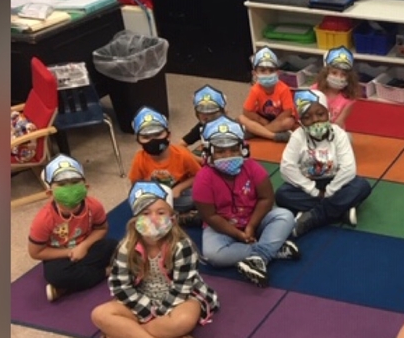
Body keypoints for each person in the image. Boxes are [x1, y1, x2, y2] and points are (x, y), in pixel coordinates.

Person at [91, 182, 220, 338]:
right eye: (145, 213)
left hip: (180, 299)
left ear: (172, 217)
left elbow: (182, 288)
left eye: (160, 213)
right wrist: (147, 310)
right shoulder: (127, 247)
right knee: (99, 315)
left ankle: (123, 335)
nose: (153, 218)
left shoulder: (182, 246)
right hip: (141, 298)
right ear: (135, 219)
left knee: (184, 320)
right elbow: (120, 286)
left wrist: (160, 312)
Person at [192, 118, 299, 288]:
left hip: (255, 220)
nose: (228, 156)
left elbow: (266, 198)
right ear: (209, 153)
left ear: (243, 149)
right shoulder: (203, 178)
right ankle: (271, 249)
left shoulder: (253, 167)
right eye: (220, 151)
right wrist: (237, 234)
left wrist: (251, 226)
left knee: (285, 216)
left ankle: (260, 256)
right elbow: (210, 216)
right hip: (222, 226)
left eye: (234, 149)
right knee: (213, 255)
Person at [274, 88, 372, 237]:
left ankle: (313, 218)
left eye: (320, 114)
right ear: (301, 122)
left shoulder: (339, 134)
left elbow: (348, 168)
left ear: (328, 113)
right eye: (307, 117)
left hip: (336, 182)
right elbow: (287, 168)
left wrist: (330, 191)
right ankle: (341, 210)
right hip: (309, 184)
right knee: (282, 195)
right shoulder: (297, 136)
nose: (315, 120)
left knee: (362, 186)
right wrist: (314, 191)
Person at [28, 154, 117, 302]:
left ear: (86, 186)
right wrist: (70, 252)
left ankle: (65, 288)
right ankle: (106, 272)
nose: (69, 188)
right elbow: (36, 252)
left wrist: (84, 246)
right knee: (57, 275)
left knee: (115, 246)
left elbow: (101, 229)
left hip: (87, 248)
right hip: (61, 257)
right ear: (50, 193)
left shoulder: (94, 206)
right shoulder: (43, 220)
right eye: (62, 184)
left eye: (75, 182)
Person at [128, 106, 201, 221]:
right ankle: (175, 216)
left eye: (158, 134)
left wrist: (179, 188)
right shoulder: (139, 159)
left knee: (202, 195)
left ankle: (173, 216)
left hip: (178, 195)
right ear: (138, 140)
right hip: (154, 198)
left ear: (168, 135)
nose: (153, 140)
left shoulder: (182, 154)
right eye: (146, 137)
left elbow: (199, 175)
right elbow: (136, 185)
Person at [241, 46, 298, 142]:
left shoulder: (284, 89)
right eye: (262, 70)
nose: (267, 74)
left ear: (278, 72)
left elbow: (288, 112)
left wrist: (271, 124)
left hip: (279, 119)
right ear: (255, 73)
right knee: (241, 118)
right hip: (262, 119)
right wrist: (261, 120)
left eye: (271, 70)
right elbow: (246, 111)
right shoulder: (255, 89)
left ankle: (256, 133)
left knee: (289, 122)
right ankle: (273, 136)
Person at [314, 46, 362, 127]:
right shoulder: (315, 90)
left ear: (349, 78)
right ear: (325, 73)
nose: (338, 77)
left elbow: (339, 122)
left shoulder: (348, 98)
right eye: (334, 73)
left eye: (343, 74)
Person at [181, 84, 228, 157]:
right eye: (203, 113)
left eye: (212, 113)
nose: (208, 116)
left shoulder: (231, 127)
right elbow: (180, 145)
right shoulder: (201, 127)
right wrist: (195, 159)